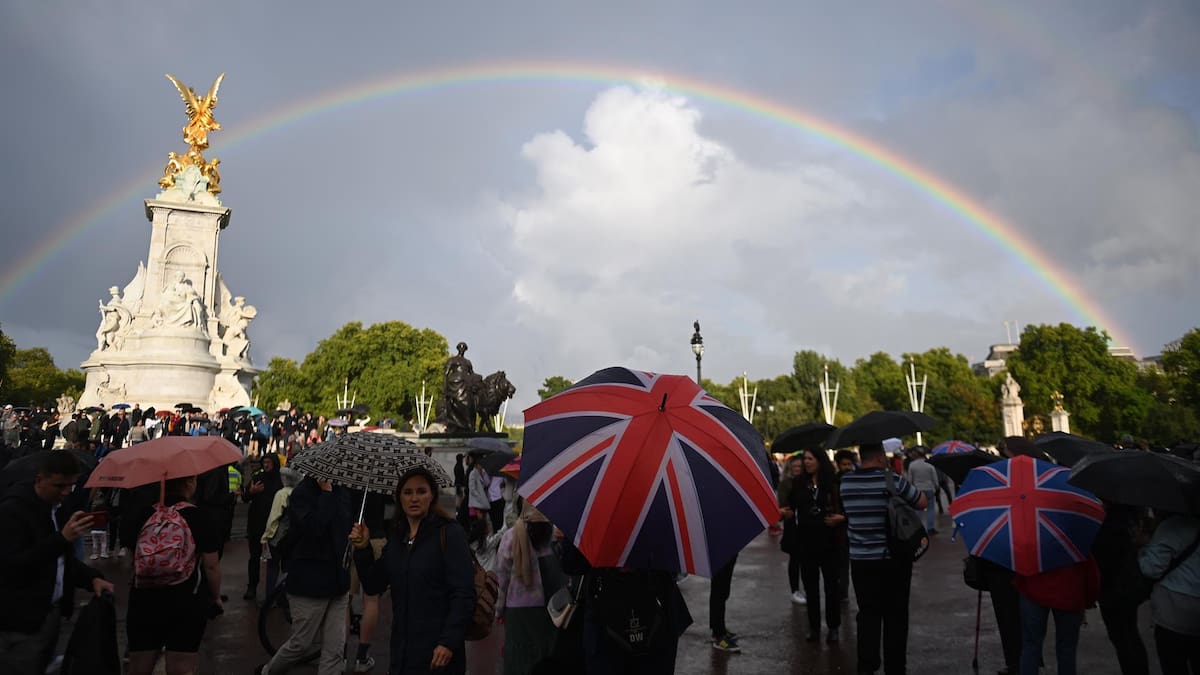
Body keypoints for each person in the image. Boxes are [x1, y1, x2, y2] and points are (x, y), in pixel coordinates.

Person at [349, 467, 475, 674]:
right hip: (403, 652)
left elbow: (464, 593)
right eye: (407, 492)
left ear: (432, 495)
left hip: (438, 653)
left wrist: (448, 641)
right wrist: (363, 549)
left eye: (421, 491)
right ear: (399, 498)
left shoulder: (450, 533)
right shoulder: (397, 538)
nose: (414, 498)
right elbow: (373, 584)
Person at [0, 451, 114, 674]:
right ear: (40, 480)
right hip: (20, 619)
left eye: (71, 485)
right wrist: (62, 539)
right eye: (59, 485)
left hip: (49, 612)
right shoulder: (12, 512)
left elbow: (61, 560)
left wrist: (91, 578)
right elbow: (13, 565)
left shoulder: (57, 508)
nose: (66, 492)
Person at [840, 441, 926, 675]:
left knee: (868, 614)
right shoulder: (891, 480)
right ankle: (895, 666)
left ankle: (867, 664)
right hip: (892, 559)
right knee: (896, 615)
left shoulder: (846, 482)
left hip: (860, 560)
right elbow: (921, 501)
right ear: (879, 457)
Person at [256, 476, 354, 675]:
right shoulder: (302, 493)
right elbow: (314, 528)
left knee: (335, 647)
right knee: (301, 643)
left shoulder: (342, 492)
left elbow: (344, 529)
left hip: (338, 581)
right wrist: (326, 494)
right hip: (310, 581)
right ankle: (268, 671)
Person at [125, 475, 222, 675]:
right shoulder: (199, 516)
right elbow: (211, 566)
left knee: (139, 667)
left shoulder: (142, 514)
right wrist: (216, 596)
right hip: (185, 599)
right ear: (188, 484)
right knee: (181, 667)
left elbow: (131, 559)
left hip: (143, 600)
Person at [781, 448, 846, 643]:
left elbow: (844, 508)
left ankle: (833, 627)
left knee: (831, 587)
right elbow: (791, 506)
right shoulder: (799, 483)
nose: (806, 462)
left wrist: (841, 518)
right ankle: (814, 627)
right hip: (806, 542)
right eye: (805, 459)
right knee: (811, 588)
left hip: (829, 541)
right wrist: (786, 513)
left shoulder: (832, 483)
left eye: (810, 459)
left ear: (819, 460)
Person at [495, 502, 558, 674]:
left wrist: (498, 610)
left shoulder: (510, 536)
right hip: (548, 609)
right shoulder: (552, 536)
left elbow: (502, 578)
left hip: (517, 612)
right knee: (544, 658)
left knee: (518, 660)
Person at [1014, 557, 1100, 675]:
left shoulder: (1032, 545)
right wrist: (1087, 601)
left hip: (1033, 589)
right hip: (1069, 593)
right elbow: (1091, 573)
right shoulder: (1075, 547)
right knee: (1067, 649)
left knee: (1031, 646)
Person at [1139, 510, 1200, 674]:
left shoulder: (1172, 527)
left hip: (1172, 610)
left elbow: (1151, 569)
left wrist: (1143, 551)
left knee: (1173, 664)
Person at [1093, 503, 1152, 675]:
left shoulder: (1109, 526)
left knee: (1122, 638)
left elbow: (1103, 561)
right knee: (1130, 634)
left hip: (1113, 592)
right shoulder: (1130, 521)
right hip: (1128, 588)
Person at [243, 453, 283, 602]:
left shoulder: (280, 480)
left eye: (269, 462)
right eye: (264, 462)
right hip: (256, 524)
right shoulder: (258, 477)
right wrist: (251, 492)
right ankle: (252, 586)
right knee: (254, 557)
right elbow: (245, 497)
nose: (266, 465)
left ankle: (272, 591)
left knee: (274, 559)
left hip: (274, 525)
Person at [777, 454, 807, 606]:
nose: (797, 469)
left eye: (799, 466)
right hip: (792, 526)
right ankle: (795, 590)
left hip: (806, 525)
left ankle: (806, 588)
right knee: (795, 559)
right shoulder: (786, 484)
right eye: (794, 466)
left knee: (806, 560)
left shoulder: (808, 482)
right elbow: (782, 504)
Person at [905, 449, 940, 535]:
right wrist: (937, 487)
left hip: (918, 490)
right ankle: (930, 528)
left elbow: (910, 479)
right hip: (929, 488)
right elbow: (934, 478)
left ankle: (918, 528)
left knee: (918, 509)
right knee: (931, 509)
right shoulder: (929, 464)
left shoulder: (912, 465)